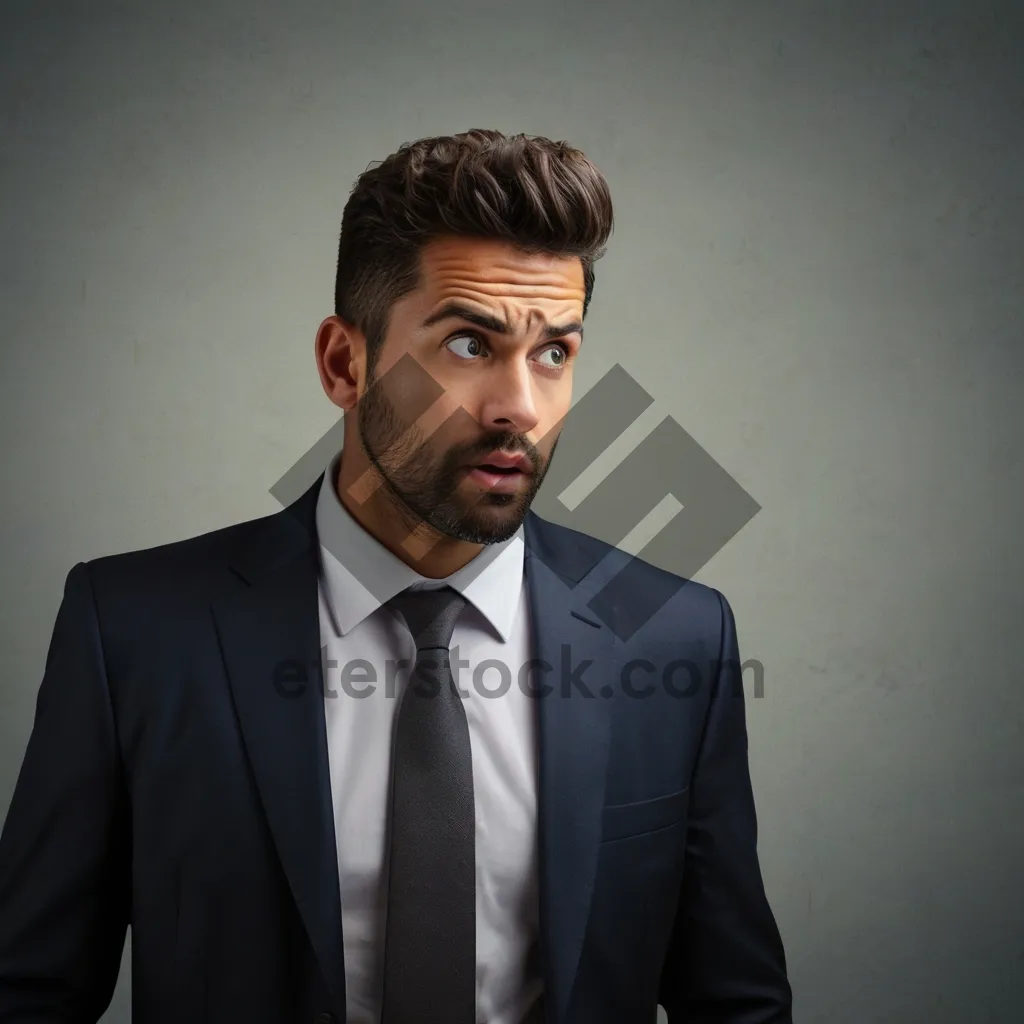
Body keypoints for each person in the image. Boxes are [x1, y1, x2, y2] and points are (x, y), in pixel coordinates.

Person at [0, 129, 792, 1023]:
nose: (519, 409)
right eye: (467, 345)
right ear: (346, 363)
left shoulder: (674, 634)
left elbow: (733, 1000)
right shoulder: (135, 631)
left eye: (554, 353)